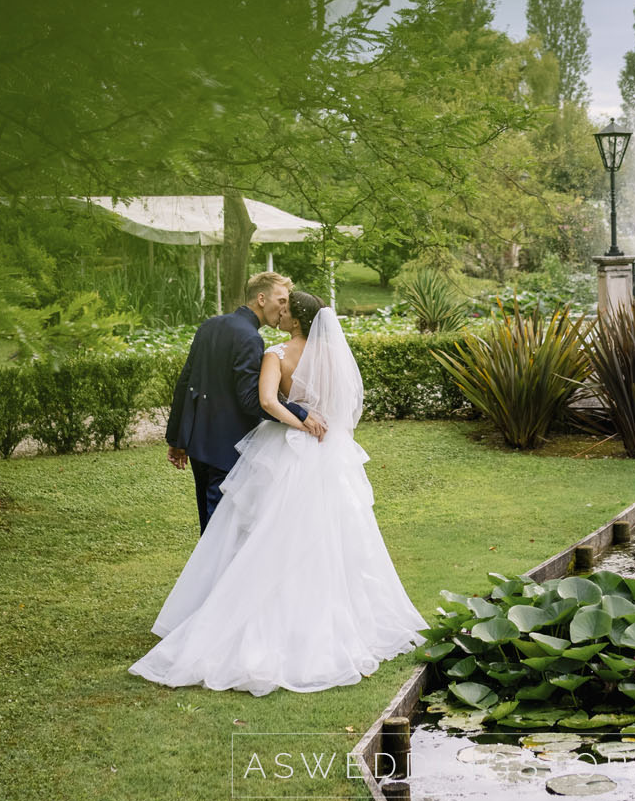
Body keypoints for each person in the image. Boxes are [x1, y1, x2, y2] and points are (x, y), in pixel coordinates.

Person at [131, 289, 427, 693]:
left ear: (298, 319)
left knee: (268, 534)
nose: (281, 315)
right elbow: (342, 409)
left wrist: (299, 422)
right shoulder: (332, 358)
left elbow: (267, 401)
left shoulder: (276, 354)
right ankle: (328, 620)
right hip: (328, 456)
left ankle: (250, 613)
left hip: (288, 452)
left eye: (287, 311)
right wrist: (314, 421)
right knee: (327, 537)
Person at [165, 271, 326, 532]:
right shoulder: (251, 338)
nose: (285, 307)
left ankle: (210, 572)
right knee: (222, 529)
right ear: (261, 299)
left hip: (198, 443)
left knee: (209, 524)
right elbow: (253, 400)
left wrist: (177, 439)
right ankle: (218, 573)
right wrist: (300, 412)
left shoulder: (209, 325)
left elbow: (184, 383)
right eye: (281, 299)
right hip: (228, 446)